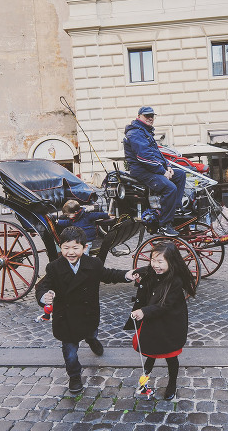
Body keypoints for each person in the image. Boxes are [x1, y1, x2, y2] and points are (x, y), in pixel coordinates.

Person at [35, 227, 137, 394]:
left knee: (91, 331)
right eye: (66, 248)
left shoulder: (94, 264)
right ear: (60, 247)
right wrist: (44, 295)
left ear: (85, 247)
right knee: (70, 353)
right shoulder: (54, 267)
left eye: (75, 248)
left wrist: (127, 275)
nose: (70, 252)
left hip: (87, 313)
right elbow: (43, 286)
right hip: (66, 318)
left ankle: (92, 340)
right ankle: (74, 375)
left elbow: (109, 275)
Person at [128, 241, 197, 401]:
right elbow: (145, 273)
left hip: (169, 324)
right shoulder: (152, 271)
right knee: (151, 351)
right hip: (153, 321)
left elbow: (164, 306)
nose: (155, 265)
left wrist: (143, 312)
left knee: (170, 356)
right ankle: (145, 379)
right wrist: (137, 275)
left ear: (171, 262)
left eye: (160, 261)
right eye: (153, 260)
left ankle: (172, 383)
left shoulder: (176, 281)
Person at [123, 106, 186, 236]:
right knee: (170, 188)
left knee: (180, 174)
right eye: (147, 116)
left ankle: (175, 208)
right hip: (142, 171)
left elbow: (157, 153)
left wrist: (167, 165)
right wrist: (162, 171)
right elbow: (144, 157)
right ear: (139, 116)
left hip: (149, 169)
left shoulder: (145, 131)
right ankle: (164, 224)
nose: (150, 118)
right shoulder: (136, 133)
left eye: (152, 116)